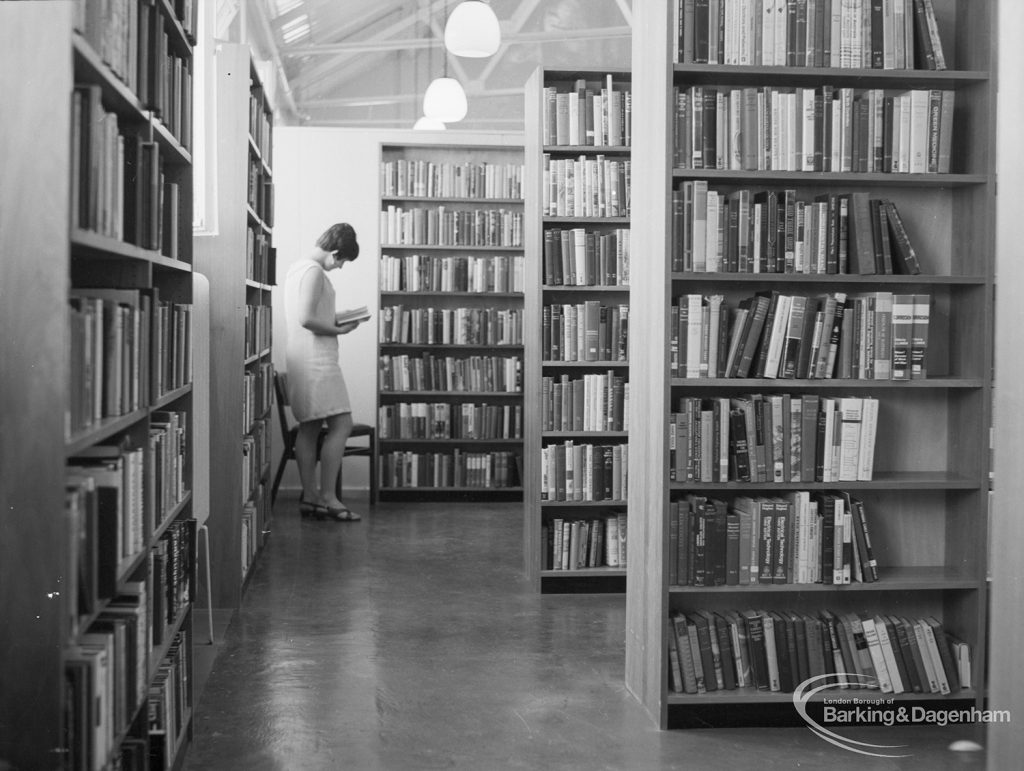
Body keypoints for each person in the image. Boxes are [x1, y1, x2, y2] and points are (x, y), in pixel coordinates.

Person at [282, 222, 366, 521]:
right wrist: (338, 330)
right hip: (316, 359)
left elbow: (305, 315)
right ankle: (329, 497)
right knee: (342, 424)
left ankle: (311, 496)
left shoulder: (298, 268)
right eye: (341, 260)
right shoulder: (315, 271)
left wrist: (340, 319)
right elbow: (306, 319)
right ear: (334, 252)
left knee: (310, 427)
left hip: (303, 357)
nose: (341, 267)